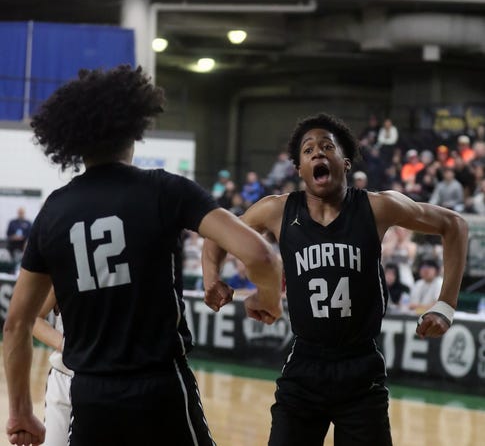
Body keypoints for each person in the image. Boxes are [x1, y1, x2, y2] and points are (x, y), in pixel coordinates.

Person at [3, 65, 283, 446]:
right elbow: (261, 255)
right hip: (160, 389)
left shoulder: (54, 211)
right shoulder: (165, 190)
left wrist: (20, 411)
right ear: (134, 126)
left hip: (90, 395)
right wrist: (267, 299)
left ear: (72, 140)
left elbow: (17, 325)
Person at [202, 112, 468, 446]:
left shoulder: (377, 207)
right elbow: (214, 235)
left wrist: (446, 305)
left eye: (326, 146)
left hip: (361, 369)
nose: (317, 153)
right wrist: (212, 279)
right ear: (299, 169)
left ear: (344, 162)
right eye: (308, 149)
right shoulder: (277, 210)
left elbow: (454, 225)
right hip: (304, 366)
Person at [32, 287, 72, 446]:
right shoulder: (66, 265)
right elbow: (33, 318)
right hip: (64, 376)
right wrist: (68, 346)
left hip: (111, 379)